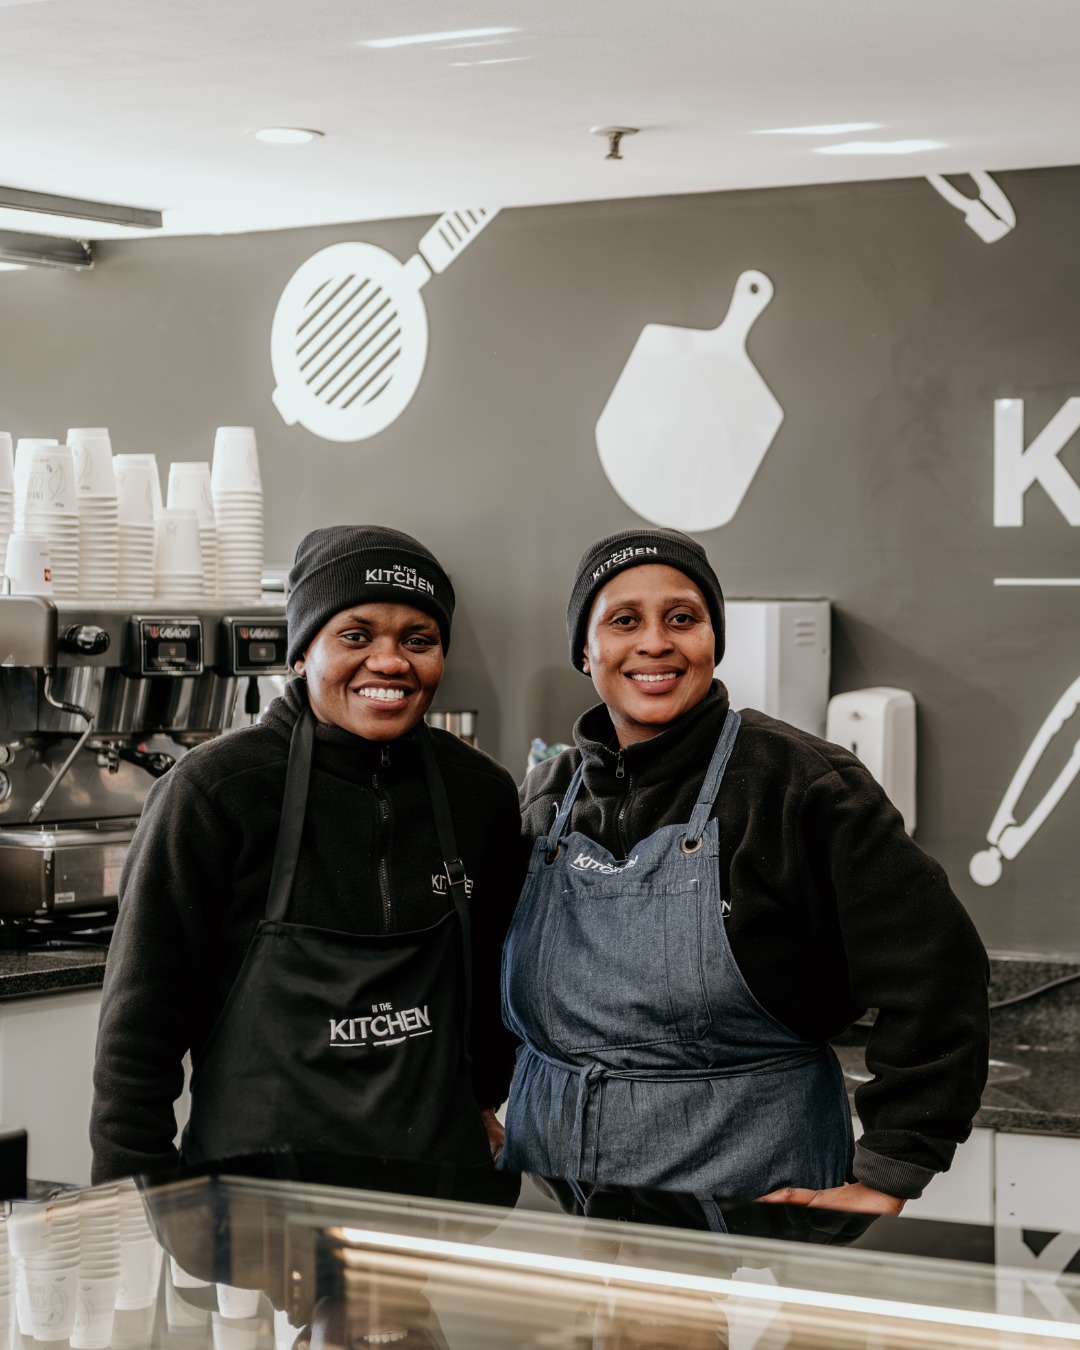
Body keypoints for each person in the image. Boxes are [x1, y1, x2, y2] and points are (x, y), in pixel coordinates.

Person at [501, 527, 989, 1229]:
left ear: (713, 640)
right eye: (623, 620)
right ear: (585, 649)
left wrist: (892, 1166)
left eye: (682, 618)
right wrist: (477, 1103)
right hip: (560, 1203)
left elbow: (939, 974)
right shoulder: (544, 796)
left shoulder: (800, 786)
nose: (655, 643)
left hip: (749, 1215)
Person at [91, 524, 523, 1198]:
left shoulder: (481, 795)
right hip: (260, 1208)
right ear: (301, 651)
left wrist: (482, 1102)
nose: (390, 661)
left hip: (439, 1196)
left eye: (419, 640)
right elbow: (139, 1025)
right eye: (356, 635)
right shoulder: (215, 792)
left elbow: (497, 983)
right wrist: (130, 1194)